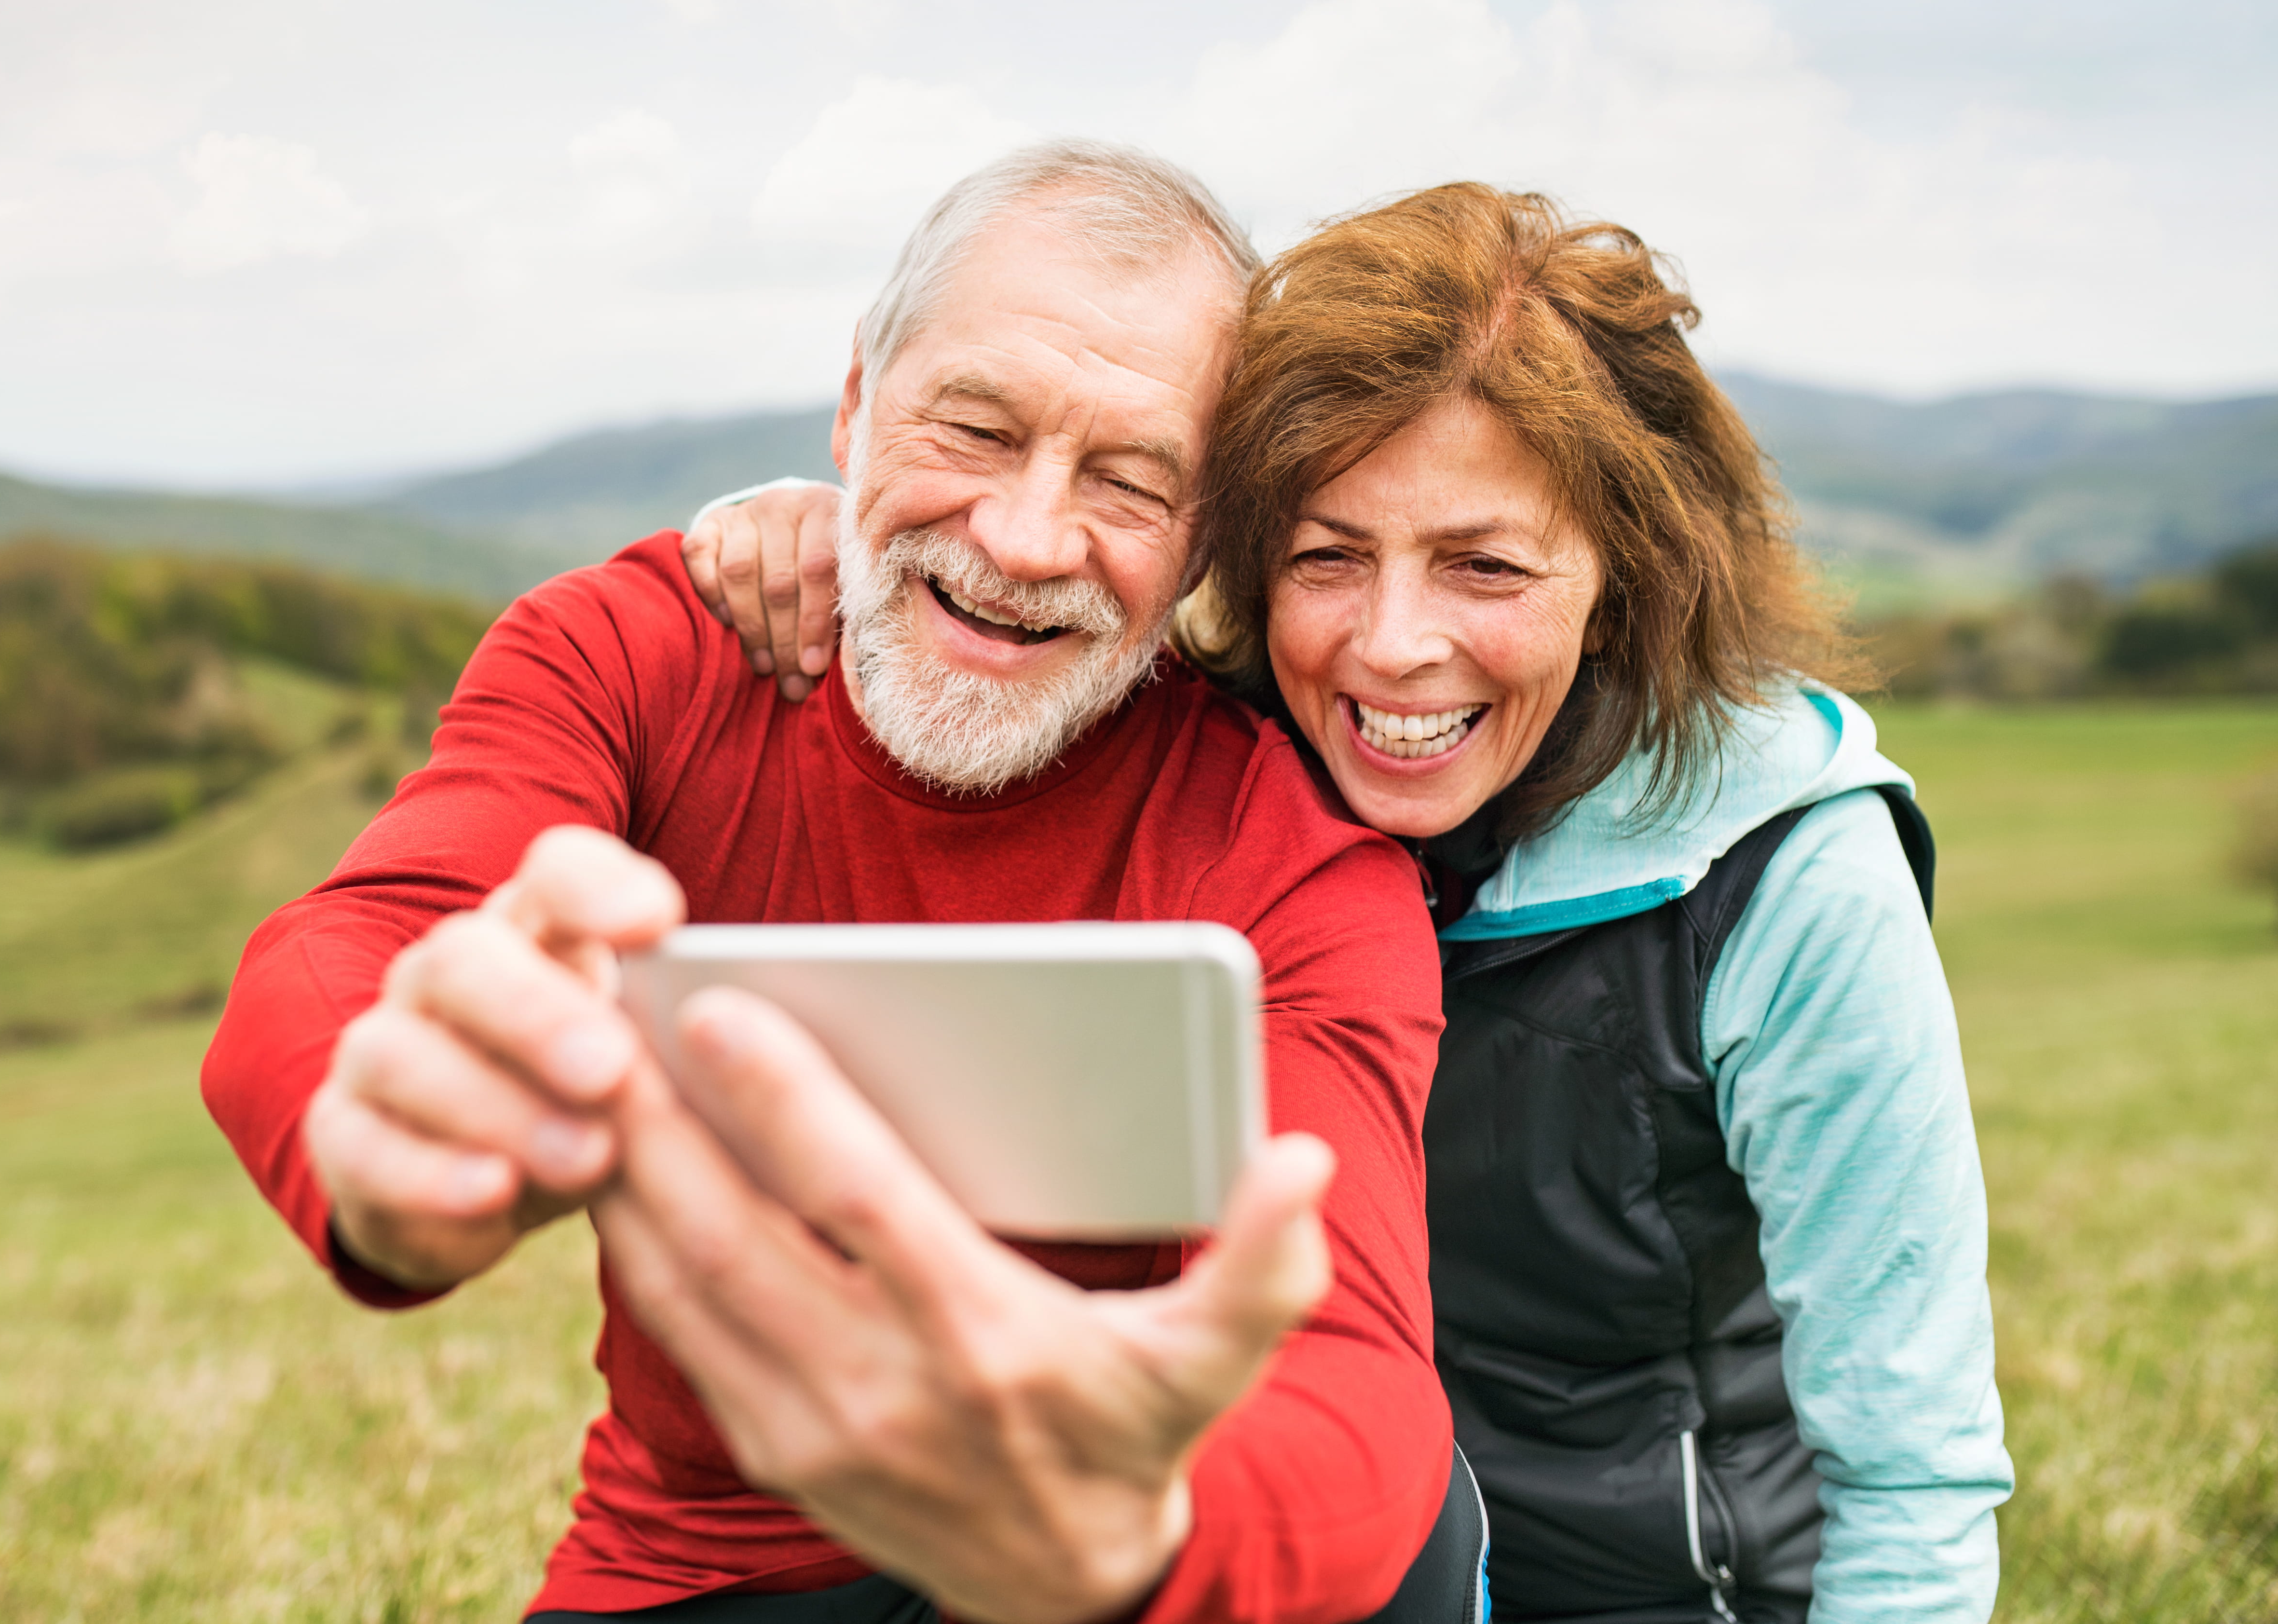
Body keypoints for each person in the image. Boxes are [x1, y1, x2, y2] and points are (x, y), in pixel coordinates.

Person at [688, 183, 2012, 1623]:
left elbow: (1912, 1482)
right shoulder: (1225, 784)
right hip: (1277, 1572)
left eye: (1484, 566)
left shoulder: (1792, 879)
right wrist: (819, 534)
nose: (1393, 649)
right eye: (1327, 557)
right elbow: (1017, 578)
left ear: (1621, 579)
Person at [202, 143, 1471, 1624]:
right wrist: (382, 1117)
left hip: (1092, 1548)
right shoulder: (633, 654)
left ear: (1203, 541)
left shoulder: (1288, 857)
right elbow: (365, 940)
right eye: (976, 430)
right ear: (859, 401)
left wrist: (1143, 1524)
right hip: (701, 1568)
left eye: (1131, 481)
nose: (1024, 538)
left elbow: (1359, 1387)